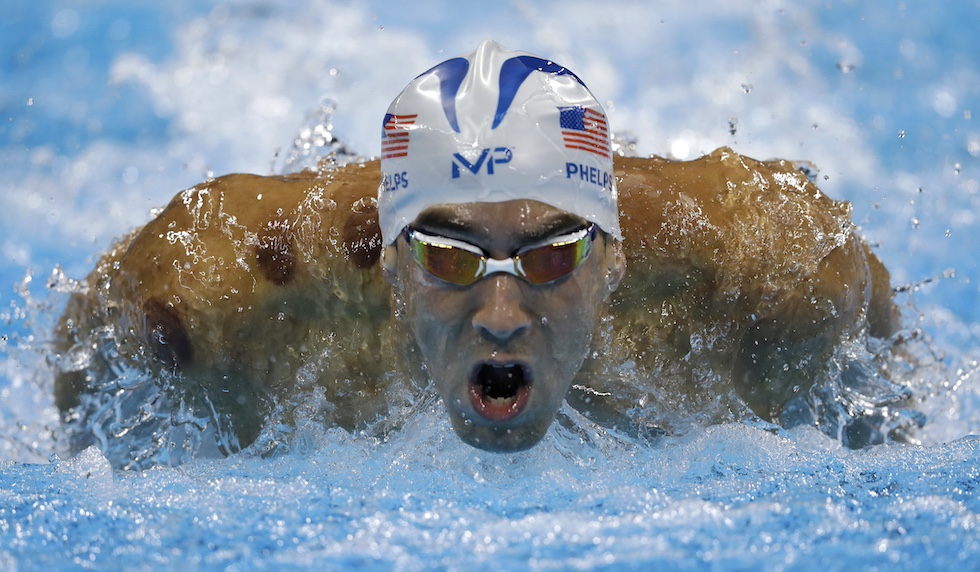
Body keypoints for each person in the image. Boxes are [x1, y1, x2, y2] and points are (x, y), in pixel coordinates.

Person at [53, 40, 903, 467]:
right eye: (451, 259)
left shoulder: (769, 275)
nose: (502, 319)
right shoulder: (229, 292)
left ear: (613, 259)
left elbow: (883, 372)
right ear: (387, 268)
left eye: (550, 258)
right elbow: (84, 366)